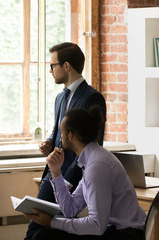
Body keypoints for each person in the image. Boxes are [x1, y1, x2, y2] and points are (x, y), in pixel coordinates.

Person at [25, 42, 107, 239]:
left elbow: (93, 143)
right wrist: (49, 143)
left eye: (53, 65)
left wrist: (69, 180)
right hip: (53, 174)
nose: (50, 70)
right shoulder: (60, 98)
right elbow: (57, 133)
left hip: (73, 178)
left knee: (42, 232)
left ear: (67, 66)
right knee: (36, 227)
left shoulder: (92, 97)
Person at [25, 106, 146, 240]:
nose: (60, 137)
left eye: (62, 132)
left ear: (71, 135)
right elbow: (69, 210)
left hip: (125, 234)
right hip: (110, 229)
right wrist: (55, 172)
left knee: (43, 236)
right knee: (45, 233)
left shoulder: (96, 166)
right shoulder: (91, 159)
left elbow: (96, 226)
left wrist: (51, 222)